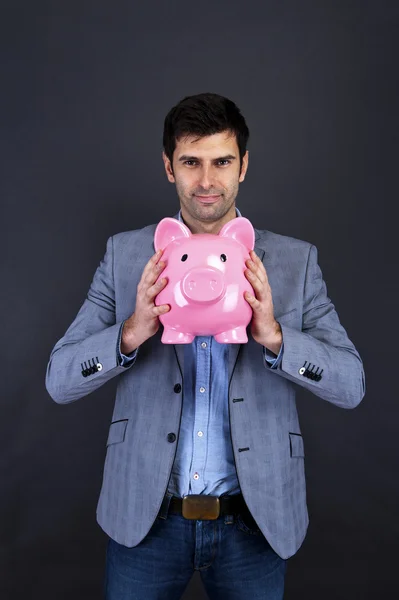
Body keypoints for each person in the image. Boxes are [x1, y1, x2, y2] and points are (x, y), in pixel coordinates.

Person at [45, 93, 366, 600]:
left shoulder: (294, 263)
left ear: (244, 166)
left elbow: (351, 385)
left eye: (222, 162)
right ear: (169, 167)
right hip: (146, 519)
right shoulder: (127, 255)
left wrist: (276, 338)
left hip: (254, 520)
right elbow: (59, 379)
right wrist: (131, 331)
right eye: (191, 162)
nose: (207, 181)